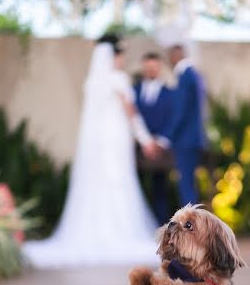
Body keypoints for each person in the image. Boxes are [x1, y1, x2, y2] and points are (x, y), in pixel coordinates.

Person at [24, 34, 158, 267]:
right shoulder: (118, 79)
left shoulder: (93, 81)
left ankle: (95, 231)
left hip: (98, 142)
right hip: (115, 139)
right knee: (117, 181)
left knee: (100, 183)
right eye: (121, 55)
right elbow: (130, 111)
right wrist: (145, 139)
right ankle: (119, 231)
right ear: (115, 56)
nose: (122, 60)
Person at [158, 45, 206, 206]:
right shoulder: (194, 74)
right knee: (189, 183)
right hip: (192, 139)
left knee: (186, 185)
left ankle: (191, 228)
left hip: (185, 140)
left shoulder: (185, 75)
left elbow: (181, 111)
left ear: (176, 55)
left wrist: (166, 137)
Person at [134, 52, 173, 225]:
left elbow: (173, 119)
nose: (151, 70)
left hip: (161, 149)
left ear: (159, 68)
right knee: (137, 189)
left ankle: (160, 227)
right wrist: (143, 141)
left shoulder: (169, 93)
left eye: (154, 67)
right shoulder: (133, 91)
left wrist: (160, 141)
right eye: (148, 67)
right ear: (144, 67)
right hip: (136, 148)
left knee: (161, 189)